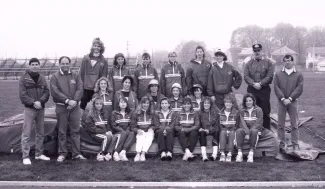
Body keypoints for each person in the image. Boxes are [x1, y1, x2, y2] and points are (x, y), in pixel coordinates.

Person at [50, 56, 86, 162]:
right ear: (59, 64)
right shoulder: (55, 77)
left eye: (67, 63)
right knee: (62, 131)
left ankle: (76, 154)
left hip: (74, 107)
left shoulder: (75, 75)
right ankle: (62, 153)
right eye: (63, 63)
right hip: (62, 107)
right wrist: (67, 101)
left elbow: (80, 88)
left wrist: (74, 101)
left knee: (75, 131)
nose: (65, 65)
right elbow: (55, 91)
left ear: (70, 64)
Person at [19, 58, 50, 165]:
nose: (35, 66)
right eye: (33, 64)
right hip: (29, 109)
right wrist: (33, 102)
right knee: (26, 133)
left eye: (37, 64)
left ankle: (39, 154)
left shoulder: (42, 78)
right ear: (29, 66)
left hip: (41, 108)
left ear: (39, 66)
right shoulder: (23, 78)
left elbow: (46, 92)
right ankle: (25, 156)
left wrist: (40, 101)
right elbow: (22, 95)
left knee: (40, 133)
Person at [274, 54, 304, 152]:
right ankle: (282, 144)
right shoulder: (278, 74)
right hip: (281, 102)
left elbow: (299, 88)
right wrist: (283, 99)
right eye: (285, 61)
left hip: (293, 101)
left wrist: (290, 98)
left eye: (289, 60)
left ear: (292, 61)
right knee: (280, 124)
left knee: (294, 124)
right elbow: (276, 87)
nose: (287, 62)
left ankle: (295, 144)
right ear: (283, 62)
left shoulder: (298, 74)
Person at [244, 44, 275, 130]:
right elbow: (246, 76)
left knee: (265, 110)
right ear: (253, 52)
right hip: (252, 90)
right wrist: (254, 84)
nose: (257, 52)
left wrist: (260, 84)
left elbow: (270, 76)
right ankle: (254, 131)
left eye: (258, 51)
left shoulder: (268, 63)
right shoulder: (248, 64)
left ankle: (266, 131)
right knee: (252, 109)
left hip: (264, 90)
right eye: (255, 51)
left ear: (261, 51)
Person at [79, 38, 110, 113]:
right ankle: (79, 122)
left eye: (98, 46)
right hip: (86, 87)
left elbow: (104, 76)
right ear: (92, 46)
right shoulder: (86, 58)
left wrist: (100, 87)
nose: (96, 47)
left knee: (97, 106)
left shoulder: (104, 60)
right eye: (95, 45)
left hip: (96, 88)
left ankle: (95, 122)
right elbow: (81, 73)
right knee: (82, 105)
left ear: (101, 48)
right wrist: (81, 85)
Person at [82, 97, 115, 161]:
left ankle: (108, 154)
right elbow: (92, 129)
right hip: (94, 134)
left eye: (100, 104)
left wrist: (109, 131)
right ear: (94, 105)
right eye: (97, 104)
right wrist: (105, 131)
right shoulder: (90, 115)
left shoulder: (105, 113)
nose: (99, 105)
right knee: (107, 137)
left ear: (102, 105)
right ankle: (100, 154)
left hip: (103, 133)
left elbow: (107, 125)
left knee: (113, 136)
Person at [236, 93, 263, 163]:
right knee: (239, 131)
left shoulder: (259, 110)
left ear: (253, 101)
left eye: (250, 100)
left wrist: (249, 133)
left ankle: (251, 154)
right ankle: (239, 154)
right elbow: (242, 123)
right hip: (245, 129)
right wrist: (247, 132)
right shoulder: (242, 110)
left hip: (255, 129)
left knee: (254, 131)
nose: (248, 102)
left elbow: (258, 123)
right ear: (244, 102)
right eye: (246, 101)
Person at [130, 96, 155, 162]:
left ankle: (143, 153)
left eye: (147, 103)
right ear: (141, 104)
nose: (146, 105)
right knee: (140, 137)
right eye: (144, 103)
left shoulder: (152, 113)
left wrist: (151, 128)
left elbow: (155, 124)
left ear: (149, 104)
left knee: (149, 137)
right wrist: (137, 130)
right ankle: (138, 154)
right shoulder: (136, 113)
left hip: (149, 131)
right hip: (140, 131)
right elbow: (132, 126)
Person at [175, 97, 200, 161]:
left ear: (191, 105)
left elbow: (197, 125)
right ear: (182, 105)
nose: (186, 106)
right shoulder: (178, 113)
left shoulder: (195, 113)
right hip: (182, 131)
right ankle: (188, 152)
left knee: (194, 133)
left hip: (191, 130)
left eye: (188, 104)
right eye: (185, 104)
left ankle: (187, 153)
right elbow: (176, 126)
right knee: (181, 133)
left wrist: (188, 129)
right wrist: (182, 129)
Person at [111, 97, 135, 161]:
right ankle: (116, 153)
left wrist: (127, 130)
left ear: (127, 104)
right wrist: (122, 130)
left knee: (132, 133)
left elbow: (131, 124)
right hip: (118, 132)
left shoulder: (130, 112)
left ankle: (123, 152)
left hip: (127, 131)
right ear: (118, 104)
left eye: (124, 102)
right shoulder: (114, 113)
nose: (123, 104)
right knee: (124, 133)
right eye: (121, 102)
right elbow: (113, 125)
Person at [218, 95, 240, 162]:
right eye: (226, 102)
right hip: (223, 130)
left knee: (232, 132)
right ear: (224, 103)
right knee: (222, 132)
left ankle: (230, 153)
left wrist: (231, 128)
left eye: (230, 102)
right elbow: (219, 125)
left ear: (232, 104)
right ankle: (222, 153)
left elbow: (237, 124)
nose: (228, 104)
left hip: (232, 130)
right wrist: (224, 129)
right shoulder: (220, 113)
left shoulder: (236, 113)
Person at [199, 97, 220, 161]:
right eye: (205, 103)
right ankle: (204, 154)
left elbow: (216, 125)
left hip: (211, 129)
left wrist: (209, 129)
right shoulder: (200, 113)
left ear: (210, 104)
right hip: (203, 130)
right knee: (201, 133)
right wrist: (201, 129)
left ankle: (214, 154)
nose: (206, 104)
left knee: (216, 131)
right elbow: (198, 124)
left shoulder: (214, 113)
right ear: (203, 104)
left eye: (208, 103)